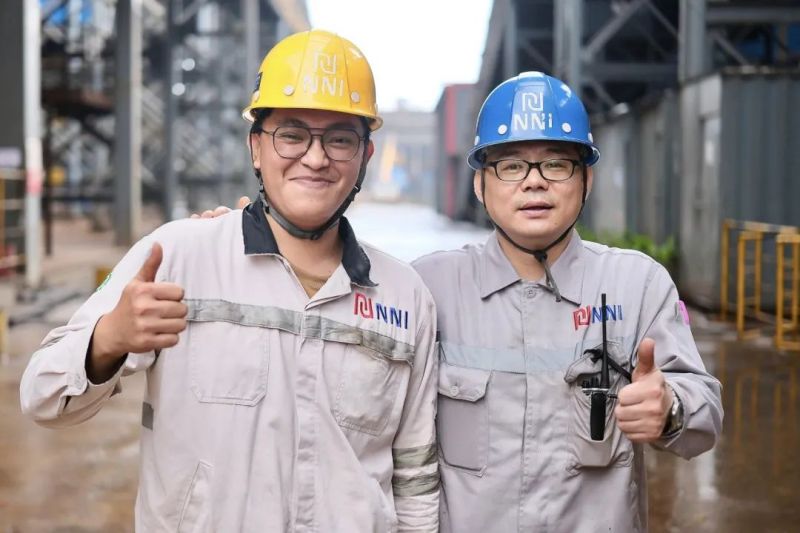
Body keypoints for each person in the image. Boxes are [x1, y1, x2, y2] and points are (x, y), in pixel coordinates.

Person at [204, 71, 724, 532]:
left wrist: (670, 411)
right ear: (479, 184)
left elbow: (704, 417)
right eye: (511, 166)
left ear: (586, 179)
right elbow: (317, 336)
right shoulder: (425, 287)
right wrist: (243, 236)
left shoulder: (637, 285)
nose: (534, 182)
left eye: (556, 164)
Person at [20, 30, 439, 532]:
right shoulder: (177, 255)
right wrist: (109, 338)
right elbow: (43, 397)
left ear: (365, 157)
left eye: (340, 139)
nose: (316, 157)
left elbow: (415, 478)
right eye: (292, 135)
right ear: (256, 147)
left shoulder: (404, 297)